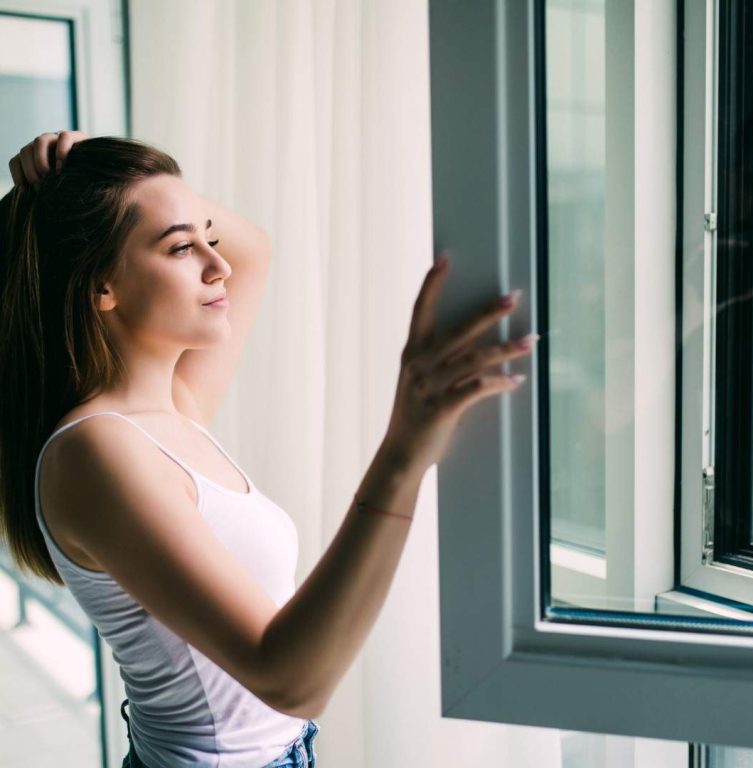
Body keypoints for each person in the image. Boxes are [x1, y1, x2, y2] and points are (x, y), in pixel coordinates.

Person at [0, 130, 538, 767]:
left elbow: (251, 249)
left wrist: (93, 165)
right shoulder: (98, 452)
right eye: (181, 248)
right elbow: (291, 681)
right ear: (100, 287)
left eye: (209, 237)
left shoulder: (169, 413)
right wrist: (405, 449)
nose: (218, 265)